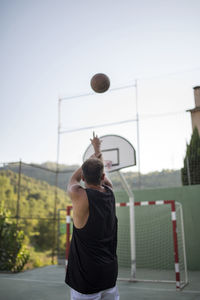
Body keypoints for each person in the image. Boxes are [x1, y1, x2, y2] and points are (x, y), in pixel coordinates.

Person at [65, 132, 119, 300]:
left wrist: (92, 156)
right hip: (109, 277)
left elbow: (73, 179)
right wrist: (97, 150)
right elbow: (98, 173)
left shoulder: (79, 195)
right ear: (103, 177)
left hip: (86, 281)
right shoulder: (110, 192)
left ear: (83, 177)